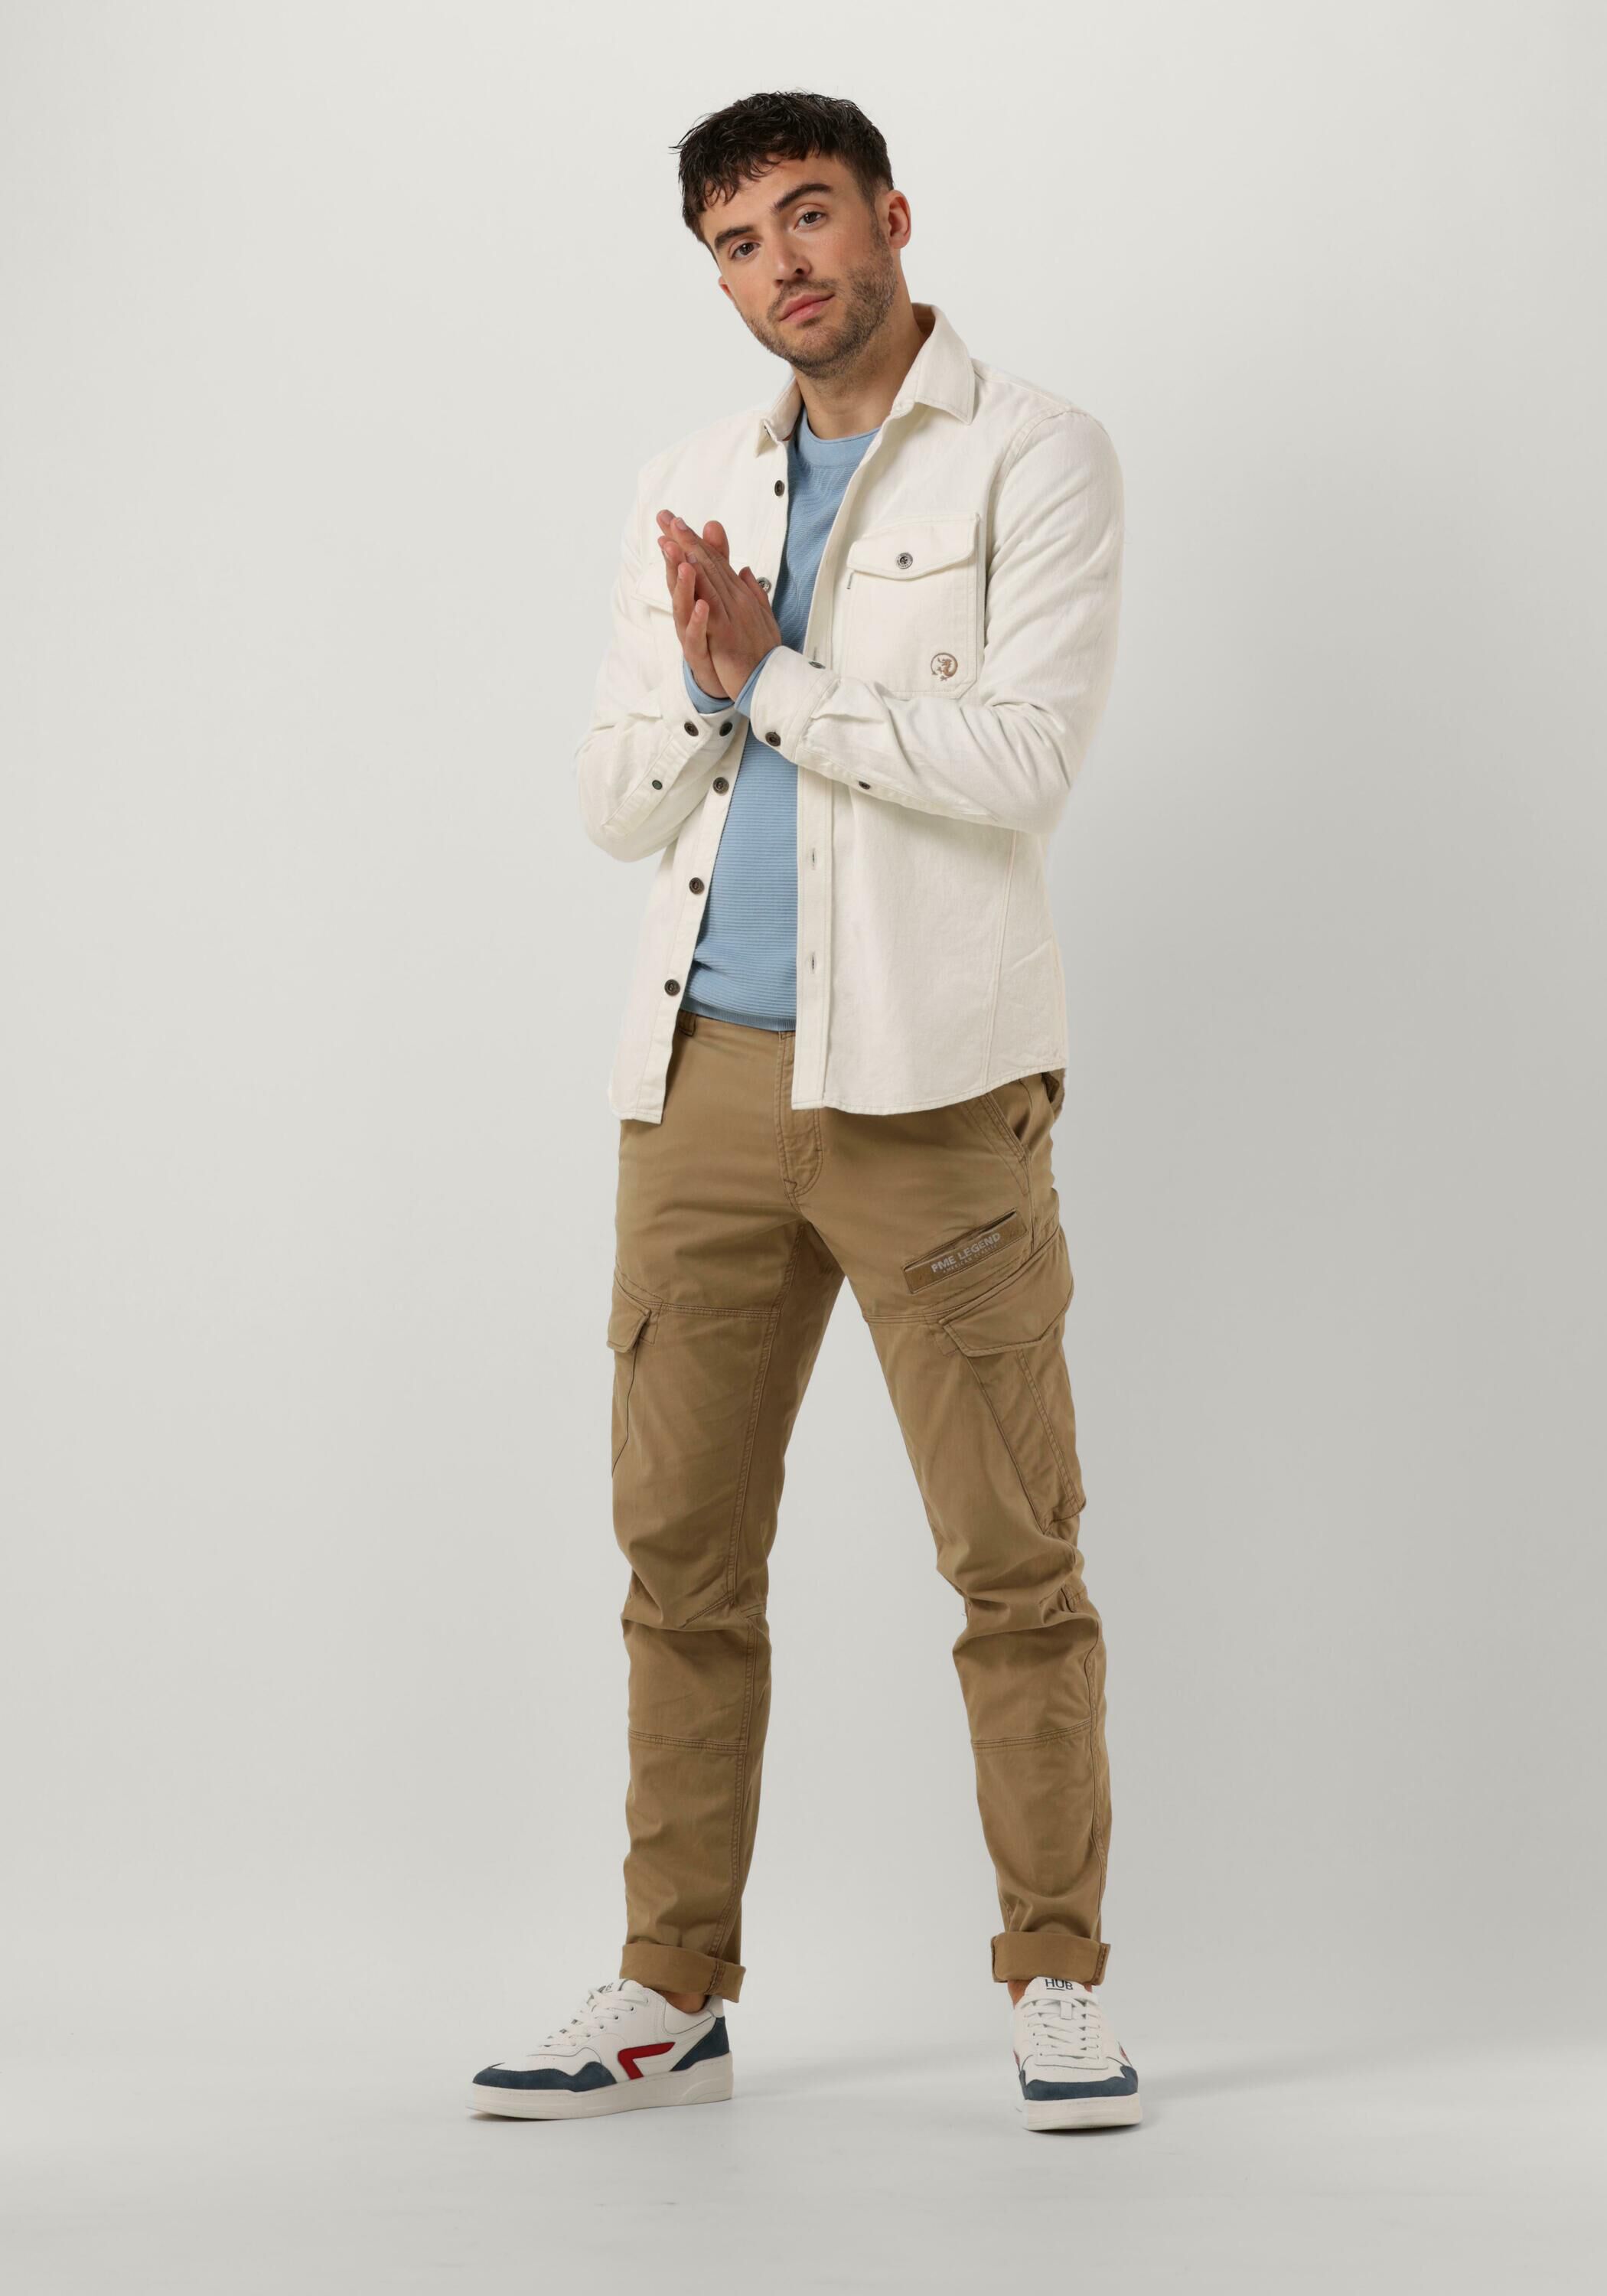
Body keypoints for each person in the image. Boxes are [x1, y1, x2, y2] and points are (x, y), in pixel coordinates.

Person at [468, 90, 1136, 2134]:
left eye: (811, 217)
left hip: (930, 1086)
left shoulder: (1033, 452)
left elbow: (1020, 760)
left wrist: (771, 680)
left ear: (892, 216)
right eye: (740, 245)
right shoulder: (687, 483)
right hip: (699, 1082)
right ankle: (672, 1988)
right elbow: (611, 805)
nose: (785, 268)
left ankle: (1055, 1978)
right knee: (678, 1556)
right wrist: (701, 684)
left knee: (1010, 1559)